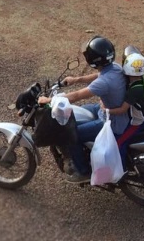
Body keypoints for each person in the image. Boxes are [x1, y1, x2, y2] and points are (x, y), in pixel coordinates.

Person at [37, 36, 128, 183]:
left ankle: (82, 171)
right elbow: (98, 74)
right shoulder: (114, 67)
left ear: (93, 60)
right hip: (104, 110)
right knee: (77, 112)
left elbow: (77, 95)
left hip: (111, 122)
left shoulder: (104, 83)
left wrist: (49, 100)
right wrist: (76, 79)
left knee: (71, 134)